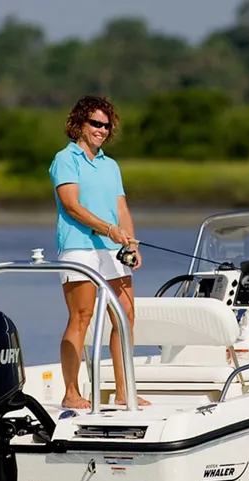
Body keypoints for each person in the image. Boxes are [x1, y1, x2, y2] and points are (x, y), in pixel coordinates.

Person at [48, 95, 150, 408]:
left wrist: (130, 240)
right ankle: (71, 393)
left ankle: (123, 392)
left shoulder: (111, 165)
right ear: (79, 123)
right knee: (82, 316)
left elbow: (121, 207)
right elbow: (71, 205)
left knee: (125, 316)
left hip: (113, 248)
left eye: (106, 125)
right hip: (79, 246)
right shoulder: (66, 159)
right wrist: (108, 229)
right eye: (95, 123)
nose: (102, 130)